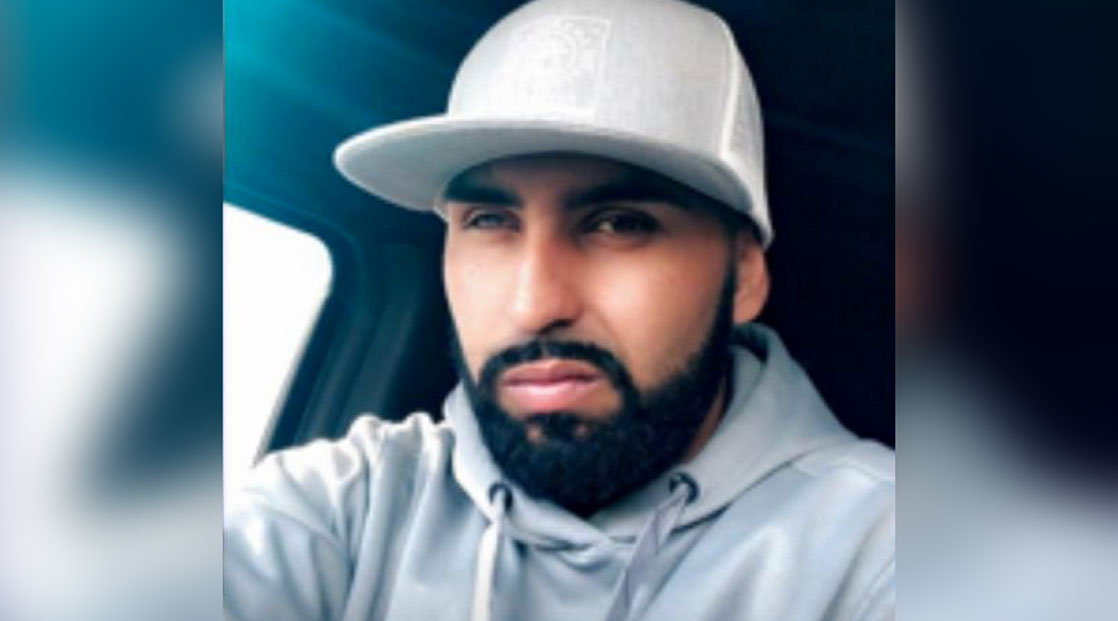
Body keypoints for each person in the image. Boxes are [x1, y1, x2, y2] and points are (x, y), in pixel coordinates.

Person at [223, 0, 894, 619]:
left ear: (743, 273)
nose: (533, 305)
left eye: (620, 223)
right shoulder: (348, 506)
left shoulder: (881, 546)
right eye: (489, 220)